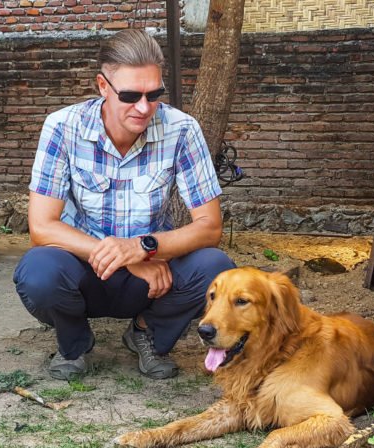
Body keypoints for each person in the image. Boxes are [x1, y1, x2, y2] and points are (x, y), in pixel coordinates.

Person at [13, 28, 235, 381]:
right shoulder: (63, 126)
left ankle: (147, 332)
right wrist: (124, 258)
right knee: (38, 271)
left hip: (152, 275)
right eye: (131, 96)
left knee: (216, 268)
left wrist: (143, 249)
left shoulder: (182, 129)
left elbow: (210, 227)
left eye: (154, 94)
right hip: (84, 269)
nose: (144, 107)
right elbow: (41, 226)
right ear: (103, 86)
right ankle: (74, 343)